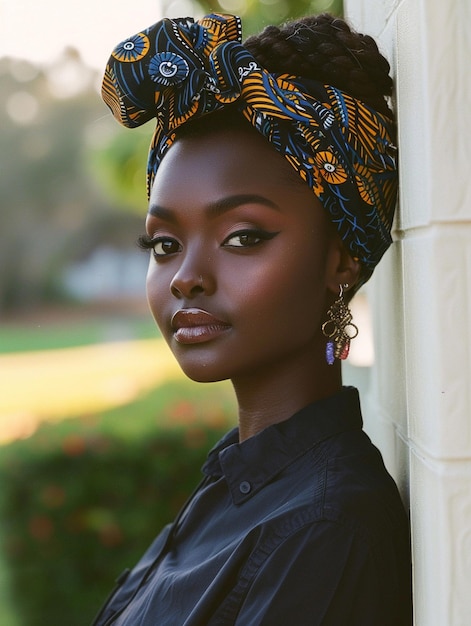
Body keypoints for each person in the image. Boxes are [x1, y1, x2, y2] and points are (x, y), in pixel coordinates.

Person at [93, 12, 412, 625]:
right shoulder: (237, 479)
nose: (186, 276)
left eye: (242, 236)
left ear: (341, 256)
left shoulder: (325, 530)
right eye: (163, 244)